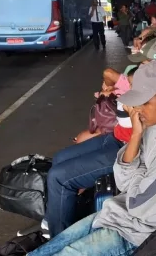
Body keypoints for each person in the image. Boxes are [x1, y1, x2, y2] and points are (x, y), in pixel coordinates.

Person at [29, 61, 156, 256]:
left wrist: (138, 173)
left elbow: (138, 203)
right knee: (45, 250)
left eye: (145, 102)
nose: (138, 109)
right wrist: (136, 136)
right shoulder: (155, 125)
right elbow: (124, 181)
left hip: (140, 233)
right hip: (118, 215)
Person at [43, 66, 139, 236]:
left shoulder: (154, 99)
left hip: (126, 149)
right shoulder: (141, 90)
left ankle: (58, 239)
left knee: (58, 177)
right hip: (115, 138)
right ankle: (61, 213)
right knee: (59, 158)